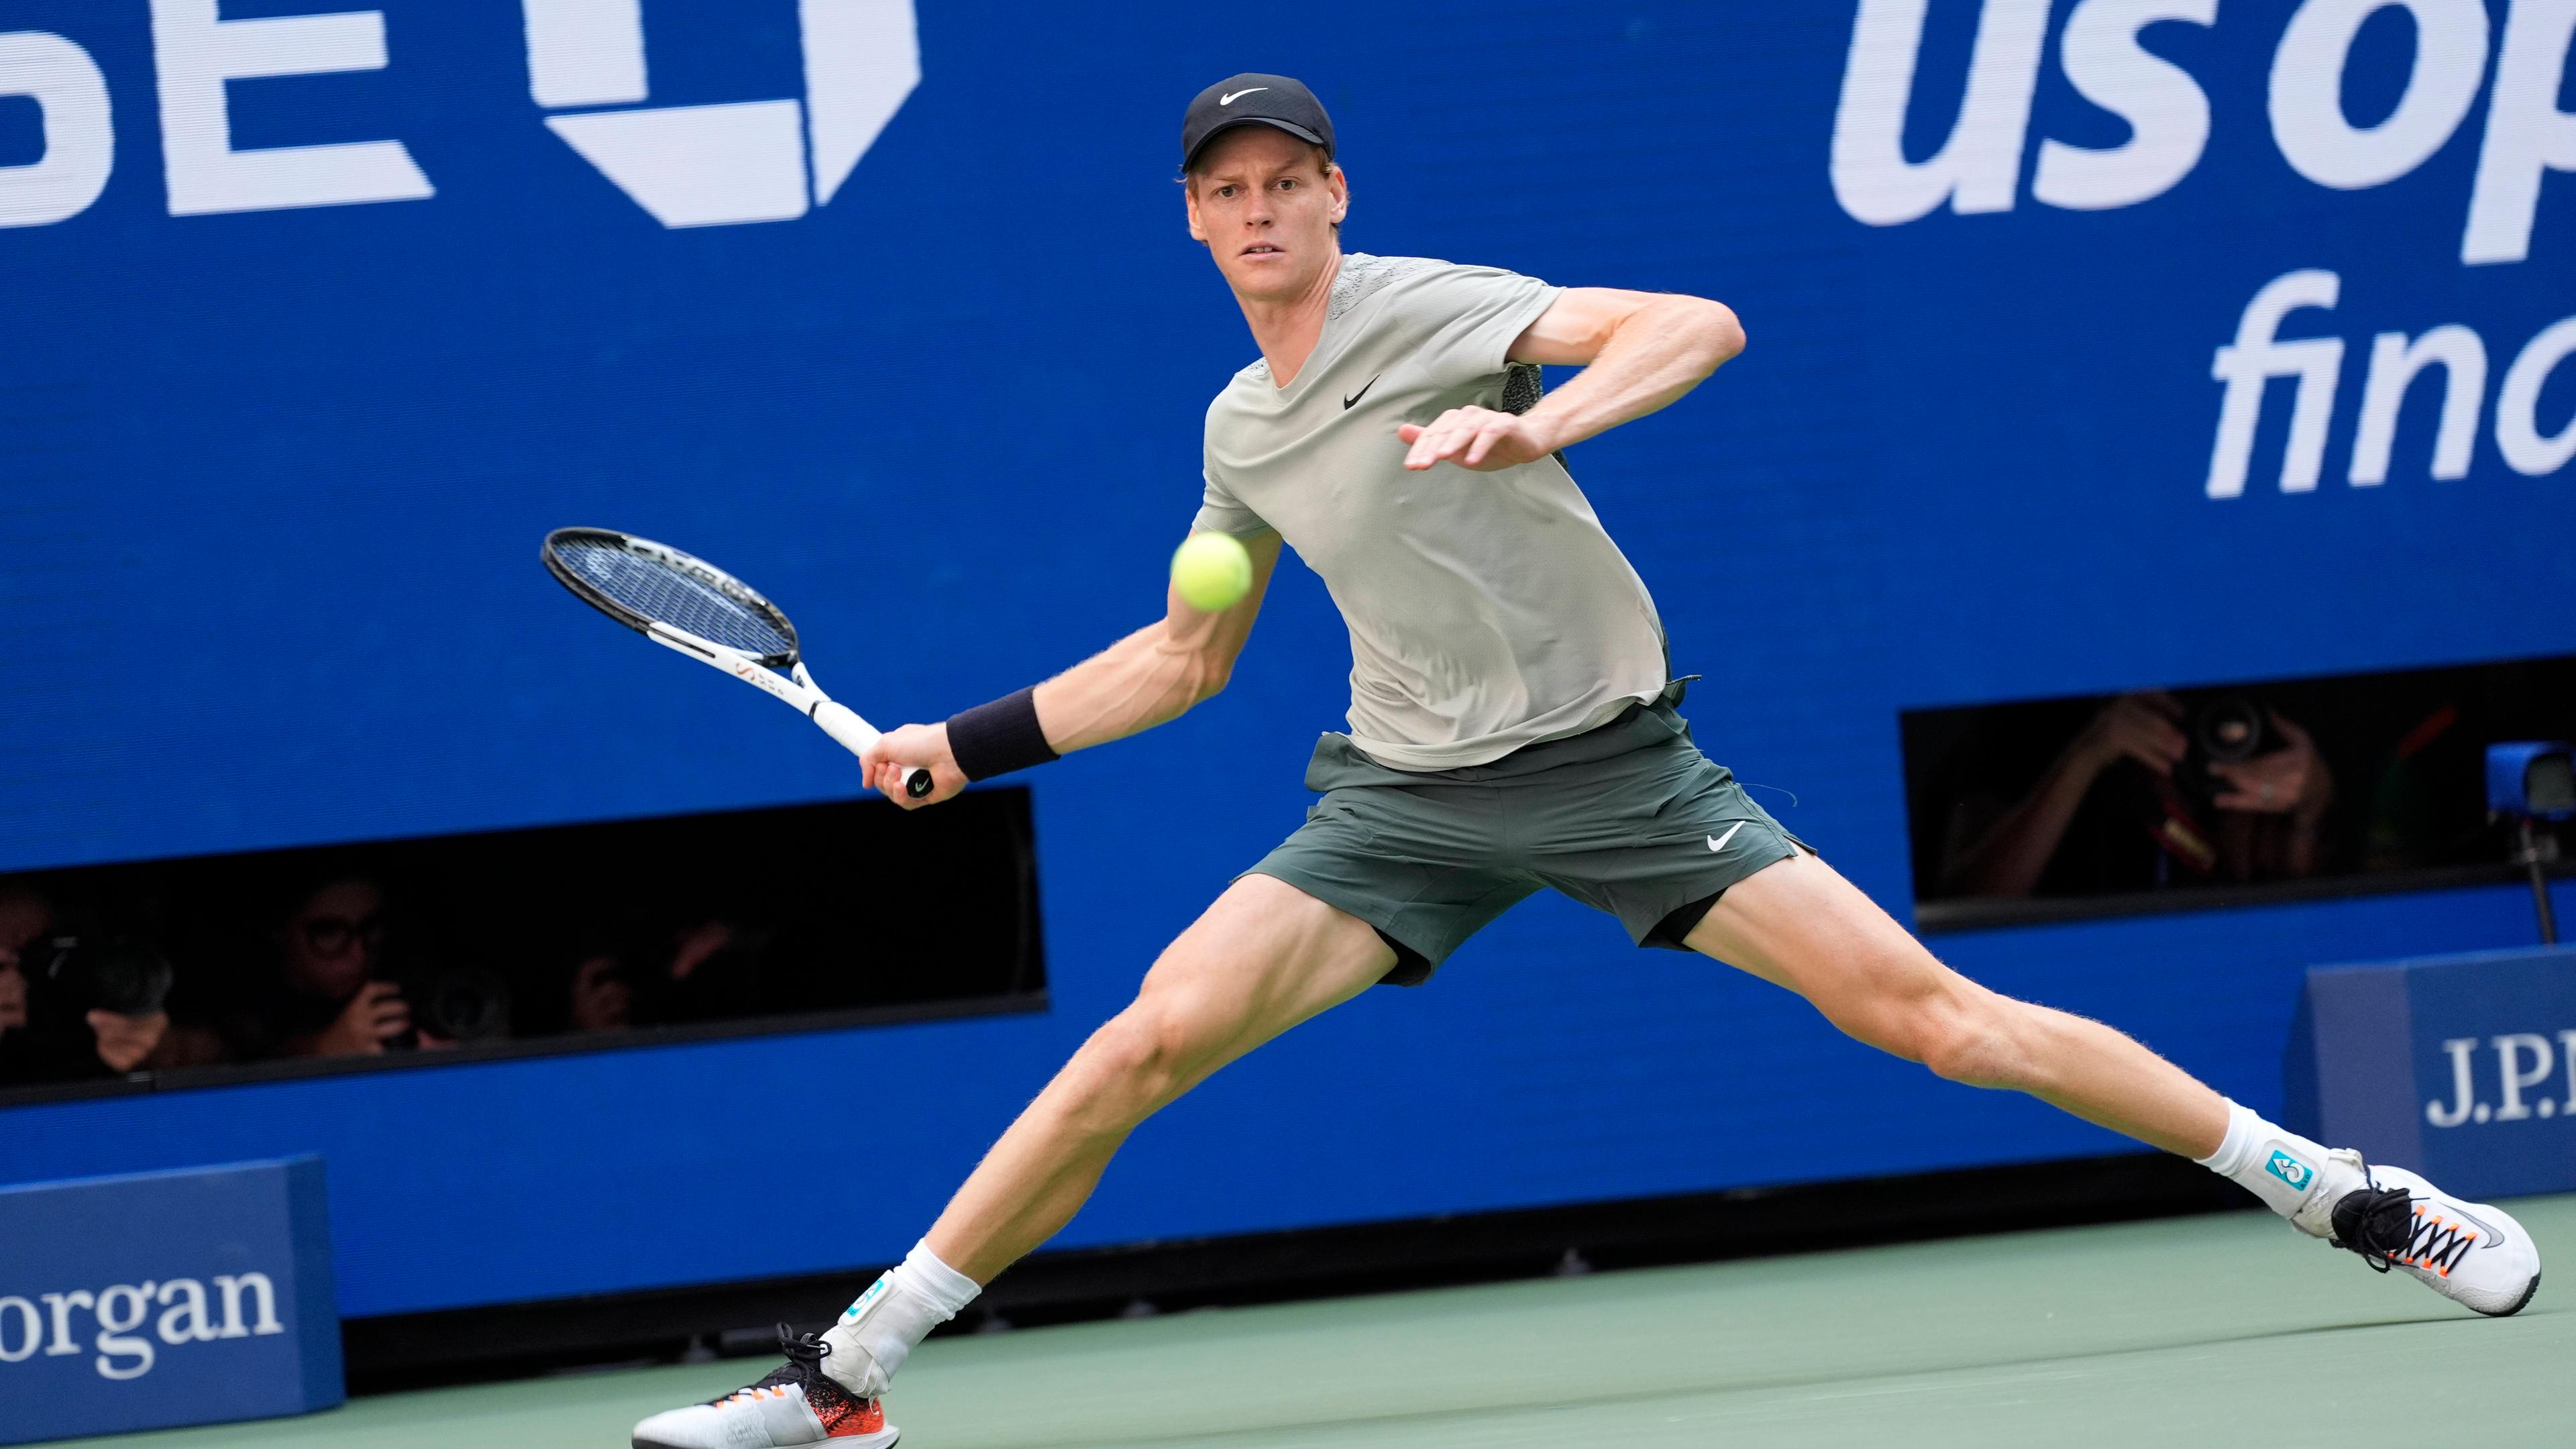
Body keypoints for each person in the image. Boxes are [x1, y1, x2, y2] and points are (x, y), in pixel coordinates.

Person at [631, 75, 2542, 1449]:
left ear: (1335, 197)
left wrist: (1548, 429)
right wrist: (957, 748)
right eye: (1231, 189)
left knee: (1938, 1023)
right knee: (1138, 1042)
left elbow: (1689, 323)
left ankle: (2345, 1193)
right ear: (1198, 223)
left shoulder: (1428, 309)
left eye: (1291, 178)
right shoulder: (1240, 426)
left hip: (1620, 770)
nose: (1264, 209)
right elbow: (1185, 655)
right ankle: (845, 1377)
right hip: (1397, 797)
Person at [1933, 692, 2337, 898]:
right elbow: (1973, 901)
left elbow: (2310, 921)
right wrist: (2089, 754)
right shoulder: (2032, 717)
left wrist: (2310, 805)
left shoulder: (2263, 725)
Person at [0, 881, 173, 1085]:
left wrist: (129, 1050)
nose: (19, 975)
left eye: (39, 947)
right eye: (6, 959)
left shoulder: (83, 1024)